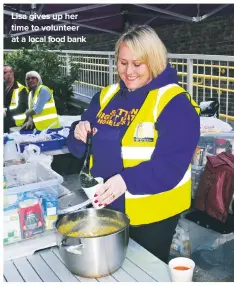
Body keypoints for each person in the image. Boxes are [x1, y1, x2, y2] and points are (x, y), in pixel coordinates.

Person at [67, 25, 200, 263]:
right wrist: (78, 132)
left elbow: (171, 165)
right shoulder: (106, 96)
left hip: (151, 218)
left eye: (137, 64)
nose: (128, 71)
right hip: (104, 208)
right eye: (122, 62)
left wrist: (126, 180)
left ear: (154, 61)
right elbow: (80, 148)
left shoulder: (174, 103)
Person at [4, 65, 29, 133]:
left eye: (10, 72)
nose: (8, 74)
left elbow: (21, 109)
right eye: (4, 73)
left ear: (12, 73)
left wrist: (6, 113)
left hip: (15, 120)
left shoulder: (21, 89)